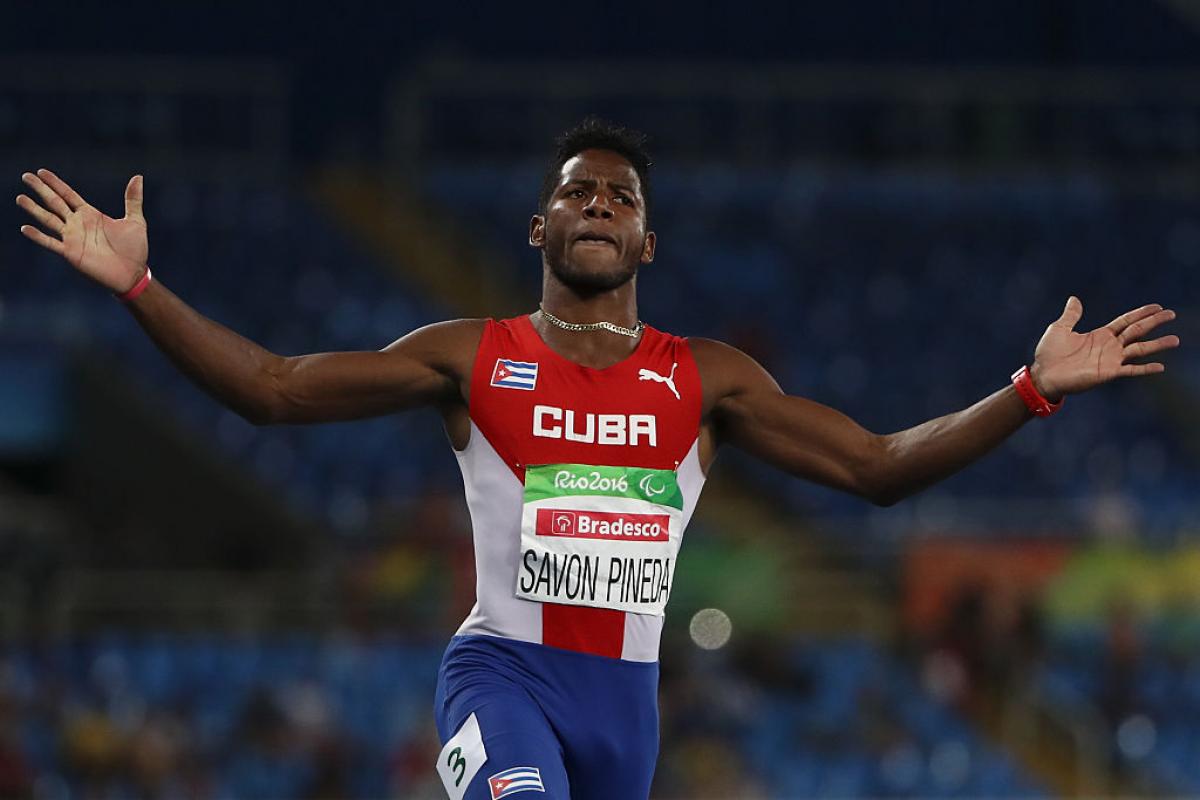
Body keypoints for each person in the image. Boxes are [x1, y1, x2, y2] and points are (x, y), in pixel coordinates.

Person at [15, 118, 1179, 800]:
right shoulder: (469, 358)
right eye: (576, 190)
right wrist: (140, 289)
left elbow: (876, 464)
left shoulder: (706, 378)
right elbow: (269, 392)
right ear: (540, 227)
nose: (599, 203)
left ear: (646, 239)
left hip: (628, 713)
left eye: (621, 195)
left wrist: (1028, 391)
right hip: (501, 677)